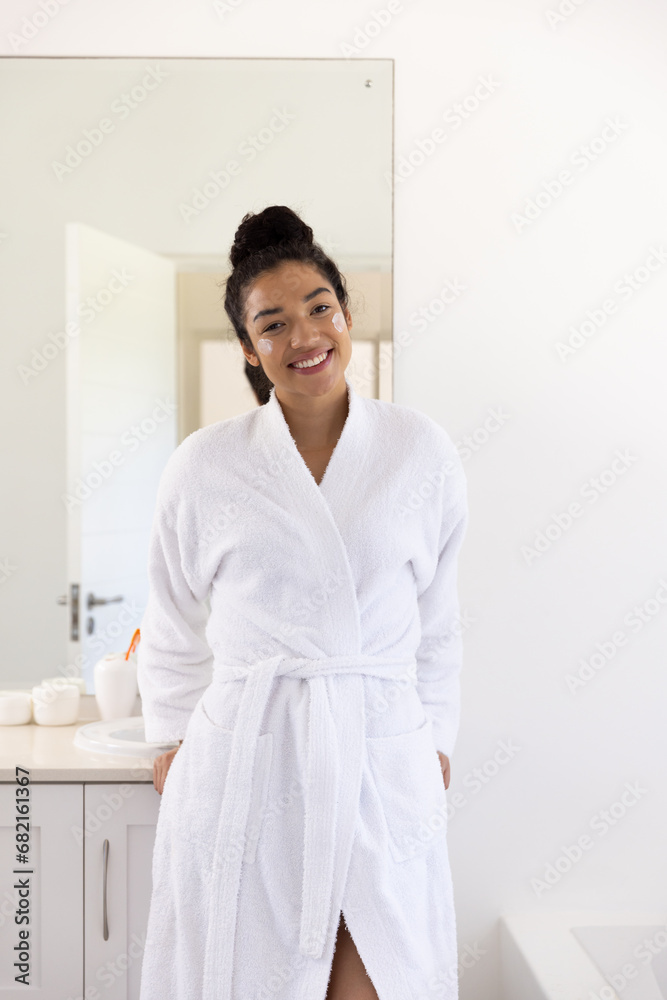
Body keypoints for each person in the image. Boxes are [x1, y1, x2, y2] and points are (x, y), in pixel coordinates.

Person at [137, 205, 469, 1000]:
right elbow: (171, 616)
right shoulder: (205, 465)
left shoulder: (418, 450)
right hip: (250, 757)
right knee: (250, 968)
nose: (305, 336)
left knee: (382, 966)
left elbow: (437, 620)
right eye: (273, 323)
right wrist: (170, 738)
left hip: (378, 749)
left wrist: (434, 734)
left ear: (346, 313)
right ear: (249, 349)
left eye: (319, 307)